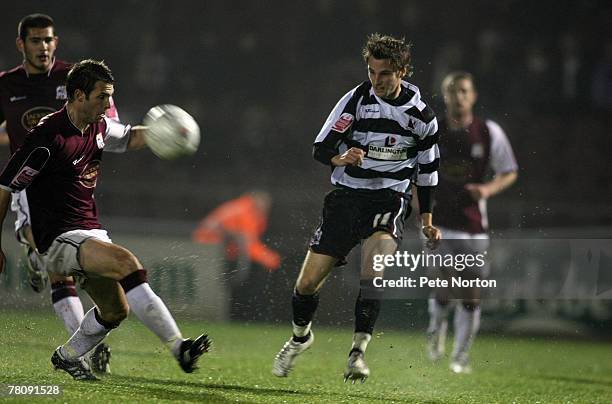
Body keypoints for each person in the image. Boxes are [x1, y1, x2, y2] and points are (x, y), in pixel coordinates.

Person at [0, 59, 211, 381]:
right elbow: (5, 186)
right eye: (103, 97)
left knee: (115, 311)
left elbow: (129, 138)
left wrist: (166, 132)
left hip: (89, 230)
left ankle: (67, 356)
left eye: (110, 96)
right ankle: (179, 348)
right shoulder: (47, 136)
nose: (109, 104)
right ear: (79, 96)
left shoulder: (99, 126)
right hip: (57, 237)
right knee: (127, 263)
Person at [272, 33, 441, 383]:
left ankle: (357, 354)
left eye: (384, 74)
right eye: (371, 72)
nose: (376, 80)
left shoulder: (423, 117)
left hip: (390, 199)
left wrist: (426, 220)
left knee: (372, 271)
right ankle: (300, 338)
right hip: (347, 198)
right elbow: (321, 148)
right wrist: (341, 157)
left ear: (403, 72)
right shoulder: (355, 101)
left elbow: (428, 172)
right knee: (306, 285)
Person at [0, 13, 119, 373]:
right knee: (59, 270)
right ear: (22, 44)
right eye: (36, 40)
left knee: (60, 264)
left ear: (56, 42)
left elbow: (108, 116)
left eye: (49, 40)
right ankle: (81, 348)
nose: (44, 47)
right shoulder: (6, 85)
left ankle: (34, 253)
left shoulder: (75, 79)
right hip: (28, 182)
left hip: (69, 182)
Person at [424, 71, 518, 374]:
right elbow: (415, 171)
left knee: (470, 292)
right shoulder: (433, 130)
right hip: (438, 222)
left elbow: (509, 170)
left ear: (473, 95)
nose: (458, 97)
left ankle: (460, 356)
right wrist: (418, 207)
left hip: (473, 224)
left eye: (463, 91)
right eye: (452, 91)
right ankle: (436, 327)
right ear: (445, 95)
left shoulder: (488, 132)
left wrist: (487, 189)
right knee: (445, 283)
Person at [192, 190, 280, 273]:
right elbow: (248, 243)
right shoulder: (245, 213)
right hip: (211, 249)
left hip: (207, 248)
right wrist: (269, 258)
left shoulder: (239, 206)